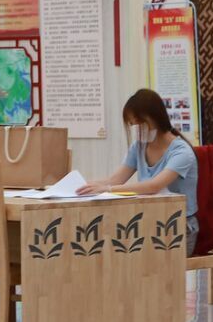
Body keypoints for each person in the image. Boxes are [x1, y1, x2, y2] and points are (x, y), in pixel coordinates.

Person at [78, 89, 199, 234]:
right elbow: (115, 180)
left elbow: (154, 186)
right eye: (133, 124)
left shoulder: (182, 152)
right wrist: (84, 187)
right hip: (149, 221)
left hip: (179, 225)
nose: (137, 129)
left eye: (140, 123)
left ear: (155, 118)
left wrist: (107, 190)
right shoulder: (138, 147)